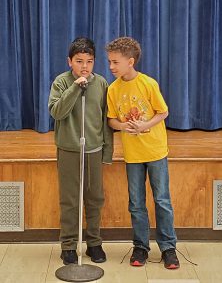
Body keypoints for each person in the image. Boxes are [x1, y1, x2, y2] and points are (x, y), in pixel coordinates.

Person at [105, 37, 179, 269]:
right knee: (136, 203)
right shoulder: (113, 89)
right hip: (133, 155)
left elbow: (163, 112)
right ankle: (140, 246)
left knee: (162, 200)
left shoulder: (148, 84)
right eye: (109, 62)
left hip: (155, 151)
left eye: (115, 62)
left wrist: (145, 125)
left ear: (131, 61)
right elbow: (111, 120)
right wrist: (124, 126)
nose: (111, 67)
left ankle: (168, 247)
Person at [48, 37, 113, 265]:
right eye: (79, 61)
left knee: (95, 198)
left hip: (94, 149)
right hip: (69, 149)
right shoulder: (61, 82)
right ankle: (68, 245)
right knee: (70, 200)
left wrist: (107, 152)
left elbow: (106, 120)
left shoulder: (102, 83)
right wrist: (75, 88)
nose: (84, 66)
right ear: (69, 62)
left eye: (89, 61)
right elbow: (57, 112)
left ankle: (93, 243)